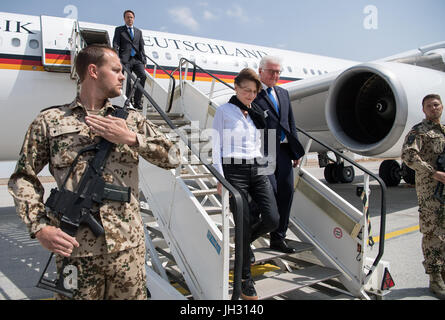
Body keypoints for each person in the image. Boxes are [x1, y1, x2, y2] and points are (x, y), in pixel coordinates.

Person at [8, 44, 179, 300]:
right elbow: (23, 178)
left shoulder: (131, 121)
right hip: (74, 251)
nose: (123, 76)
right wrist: (40, 227)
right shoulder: (50, 120)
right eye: (116, 70)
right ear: (93, 71)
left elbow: (174, 156)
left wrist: (132, 138)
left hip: (127, 248)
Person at [212, 68, 279, 300]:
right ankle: (244, 281)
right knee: (243, 221)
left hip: (257, 168)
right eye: (246, 90)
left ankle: (245, 240)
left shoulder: (256, 114)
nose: (250, 95)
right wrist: (220, 178)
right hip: (234, 170)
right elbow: (216, 147)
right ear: (236, 87)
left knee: (272, 218)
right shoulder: (223, 111)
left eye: (254, 91)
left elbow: (261, 144)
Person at [253, 56, 305, 253]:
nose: (275, 75)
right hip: (264, 152)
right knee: (269, 194)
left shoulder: (283, 93)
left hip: (284, 152)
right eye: (271, 71)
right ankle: (251, 234)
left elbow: (290, 122)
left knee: (286, 194)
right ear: (260, 71)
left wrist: (295, 149)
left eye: (278, 72)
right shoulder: (253, 94)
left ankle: (278, 238)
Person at [401, 94, 445, 299]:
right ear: (424, 109)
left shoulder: (443, 131)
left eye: (436, 104)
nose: (433, 108)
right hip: (430, 191)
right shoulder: (419, 131)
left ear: (442, 107)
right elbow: (409, 156)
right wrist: (434, 172)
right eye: (429, 105)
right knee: (432, 234)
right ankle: (435, 279)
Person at [112, 9, 147, 109]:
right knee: (126, 81)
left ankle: (137, 101)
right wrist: (116, 58)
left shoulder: (138, 32)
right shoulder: (119, 30)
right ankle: (128, 101)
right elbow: (115, 44)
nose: (130, 19)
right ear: (124, 19)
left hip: (137, 59)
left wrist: (144, 60)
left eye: (131, 17)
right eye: (128, 17)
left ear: (134, 19)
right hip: (124, 59)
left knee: (142, 76)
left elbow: (141, 47)